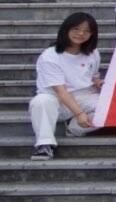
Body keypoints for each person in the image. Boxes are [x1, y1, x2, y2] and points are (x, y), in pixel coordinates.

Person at [28, 12, 102, 160]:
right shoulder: (50, 55)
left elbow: (93, 76)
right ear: (66, 29)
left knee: (114, 109)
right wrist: (79, 114)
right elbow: (60, 91)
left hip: (85, 97)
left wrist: (98, 83)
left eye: (86, 31)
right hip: (57, 101)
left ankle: (75, 128)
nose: (81, 34)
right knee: (41, 101)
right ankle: (45, 144)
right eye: (76, 29)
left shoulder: (93, 53)